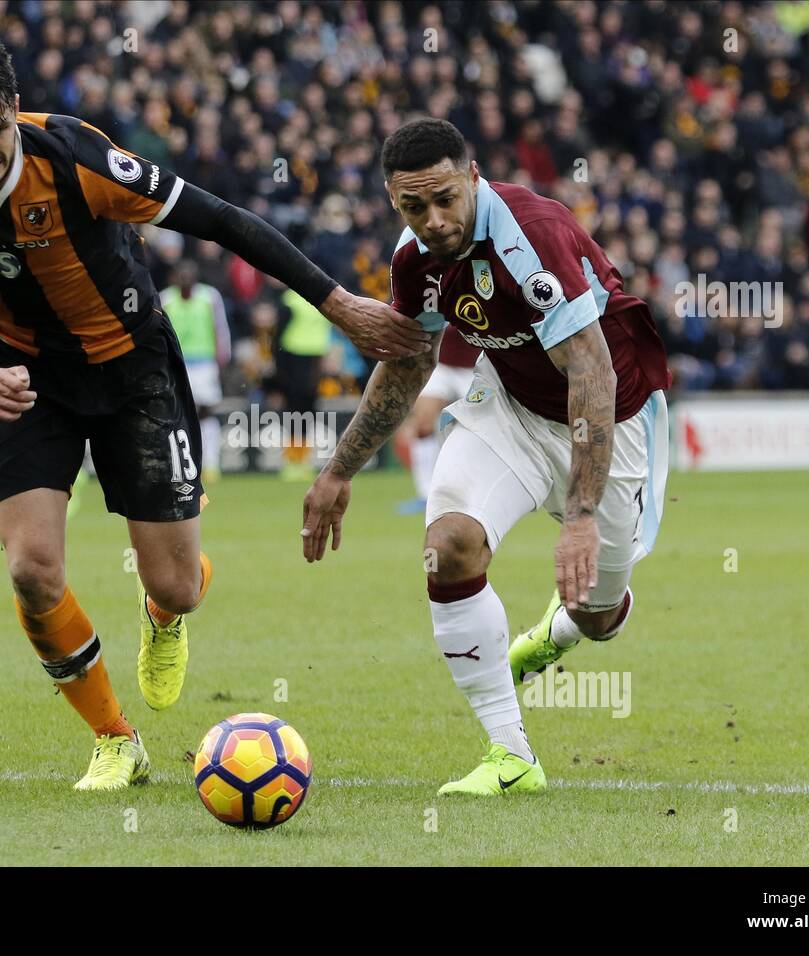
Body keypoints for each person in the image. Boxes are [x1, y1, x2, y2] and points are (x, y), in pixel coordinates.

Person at [0, 33, 428, 791]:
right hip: (24, 378)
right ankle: (115, 739)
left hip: (132, 369)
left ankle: (163, 612)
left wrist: (338, 304)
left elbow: (223, 221)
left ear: (15, 110)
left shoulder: (73, 156)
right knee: (32, 570)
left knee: (176, 586)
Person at [301, 118, 671, 796]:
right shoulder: (414, 260)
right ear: (393, 201)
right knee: (448, 544)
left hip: (607, 420)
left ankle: (557, 634)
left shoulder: (532, 237)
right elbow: (409, 362)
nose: (433, 220)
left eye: (445, 198)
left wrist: (581, 516)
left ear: (473, 178)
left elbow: (592, 375)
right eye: (413, 207)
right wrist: (338, 470)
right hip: (510, 410)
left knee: (601, 617)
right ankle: (512, 756)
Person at [394, 324, 481, 513]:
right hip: (440, 364)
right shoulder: (437, 294)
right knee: (423, 423)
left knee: (480, 431)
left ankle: (477, 494)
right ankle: (425, 495)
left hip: (477, 367)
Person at [160, 260, 230, 481]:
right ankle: (181, 464)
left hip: (204, 362)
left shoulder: (210, 297)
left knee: (206, 412)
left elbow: (220, 328)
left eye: (189, 275)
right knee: (176, 413)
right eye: (182, 275)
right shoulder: (165, 298)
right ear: (174, 277)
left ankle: (210, 464)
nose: (186, 279)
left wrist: (222, 358)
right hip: (177, 364)